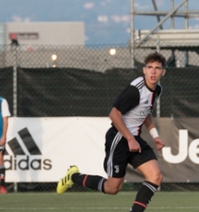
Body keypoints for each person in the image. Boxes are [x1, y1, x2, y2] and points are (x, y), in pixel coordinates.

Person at [57, 51, 167, 212]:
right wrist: (129, 139)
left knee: (155, 176)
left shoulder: (157, 89)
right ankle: (74, 176)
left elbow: (146, 112)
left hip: (134, 139)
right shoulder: (135, 90)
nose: (153, 71)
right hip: (119, 138)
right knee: (112, 188)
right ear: (144, 70)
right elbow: (114, 114)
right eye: (149, 67)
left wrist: (154, 136)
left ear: (163, 72)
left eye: (157, 68)